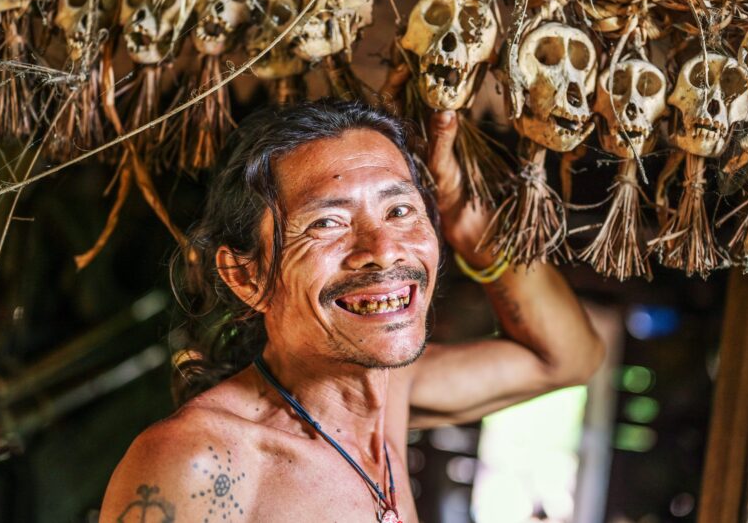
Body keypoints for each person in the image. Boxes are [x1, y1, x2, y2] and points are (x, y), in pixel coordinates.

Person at [99, 100, 604, 522]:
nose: (383, 250)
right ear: (246, 277)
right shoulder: (200, 465)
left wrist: (475, 231)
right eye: (327, 223)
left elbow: (571, 357)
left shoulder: (389, 394)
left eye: (400, 210)